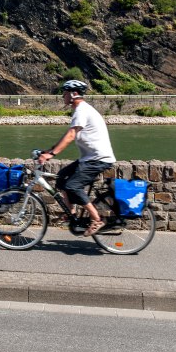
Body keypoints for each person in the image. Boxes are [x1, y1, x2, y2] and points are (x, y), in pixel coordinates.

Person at [38, 79, 116, 236]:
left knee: (73, 186)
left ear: (73, 94)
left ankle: (96, 219)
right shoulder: (80, 110)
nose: (63, 96)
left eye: (65, 93)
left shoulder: (82, 110)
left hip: (98, 159)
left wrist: (51, 155)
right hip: (89, 158)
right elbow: (68, 135)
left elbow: (71, 135)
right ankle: (71, 213)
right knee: (61, 178)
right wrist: (49, 150)